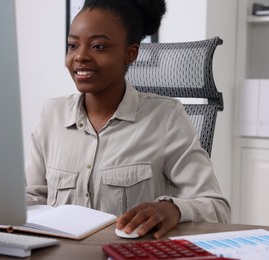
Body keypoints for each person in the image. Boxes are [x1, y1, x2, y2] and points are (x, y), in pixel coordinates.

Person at [25, 0, 231, 239]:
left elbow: (217, 208)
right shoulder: (52, 114)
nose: (80, 56)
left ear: (130, 53)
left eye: (99, 46)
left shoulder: (166, 118)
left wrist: (172, 209)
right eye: (72, 45)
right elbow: (34, 197)